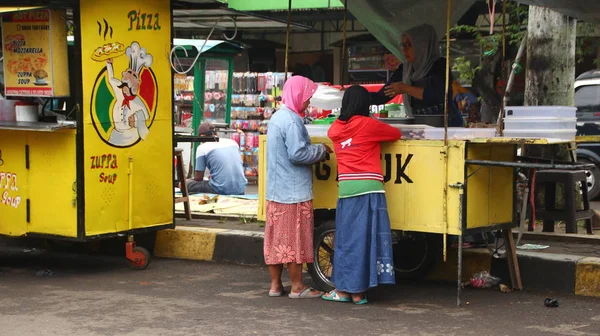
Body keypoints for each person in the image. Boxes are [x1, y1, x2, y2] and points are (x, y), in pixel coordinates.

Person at [323, 86, 402, 304]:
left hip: (348, 190)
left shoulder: (334, 129)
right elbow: (395, 133)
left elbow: (335, 130)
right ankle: (358, 292)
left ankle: (345, 290)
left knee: (348, 241)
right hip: (371, 188)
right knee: (367, 240)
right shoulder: (369, 125)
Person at [264, 76, 331, 299]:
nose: (308, 101)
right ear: (297, 94)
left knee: (276, 241)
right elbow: (298, 153)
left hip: (276, 192)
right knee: (294, 240)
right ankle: (297, 286)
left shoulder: (277, 118)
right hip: (293, 192)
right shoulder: (292, 121)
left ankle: (275, 285)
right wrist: (321, 151)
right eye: (307, 96)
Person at [371, 24, 463, 127]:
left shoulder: (440, 65)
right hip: (421, 127)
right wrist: (358, 96)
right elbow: (382, 95)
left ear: (422, 45)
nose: (405, 50)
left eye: (409, 45)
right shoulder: (405, 69)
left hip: (447, 127)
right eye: (403, 45)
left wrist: (405, 88)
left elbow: (438, 95)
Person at [184, 122, 247, 195]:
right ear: (216, 133)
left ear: (202, 136)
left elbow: (198, 178)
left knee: (184, 184)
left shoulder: (202, 148)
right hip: (241, 188)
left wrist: (189, 180)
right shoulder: (233, 143)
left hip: (221, 189)